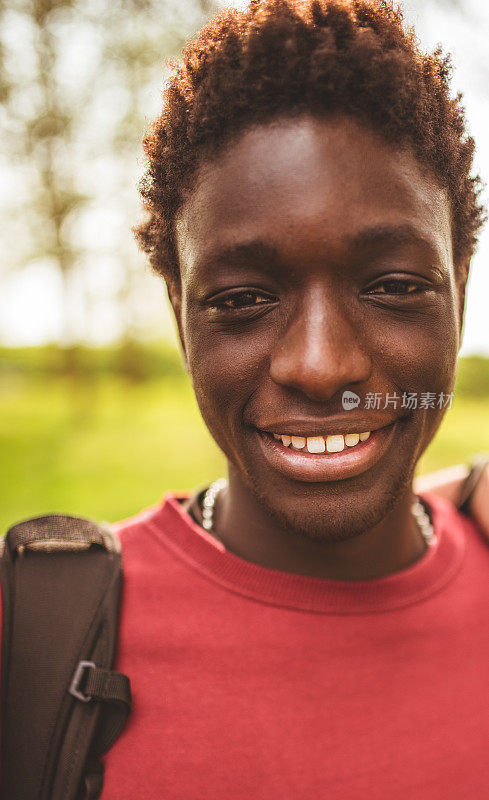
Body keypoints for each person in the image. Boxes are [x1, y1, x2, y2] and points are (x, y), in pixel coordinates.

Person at [2, 0, 489, 796]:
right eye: (241, 300)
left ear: (459, 292)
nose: (320, 363)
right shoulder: (32, 644)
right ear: (178, 312)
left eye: (394, 286)